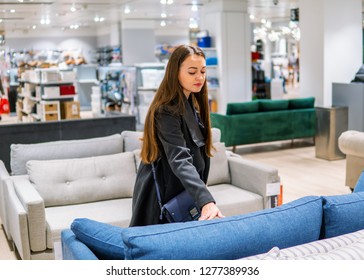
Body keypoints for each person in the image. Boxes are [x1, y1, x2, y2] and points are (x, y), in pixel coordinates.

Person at [129, 45, 224, 227]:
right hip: (162, 196)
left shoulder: (191, 105)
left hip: (181, 192)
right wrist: (205, 200)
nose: (199, 77)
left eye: (203, 71)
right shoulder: (166, 111)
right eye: (192, 72)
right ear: (175, 72)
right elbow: (179, 158)